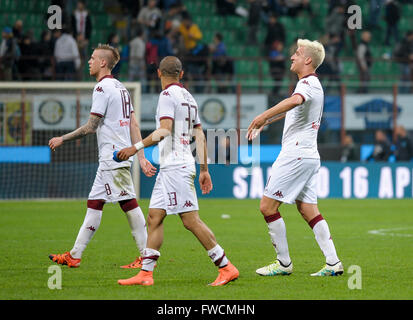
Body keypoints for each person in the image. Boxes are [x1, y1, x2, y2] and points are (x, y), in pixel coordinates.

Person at [116, 56, 239, 286]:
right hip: (176, 165)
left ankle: (226, 267)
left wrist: (135, 147)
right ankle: (146, 273)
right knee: (154, 217)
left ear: (159, 74)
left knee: (191, 221)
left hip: (175, 167)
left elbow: (164, 130)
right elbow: (199, 134)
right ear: (181, 74)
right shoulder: (189, 98)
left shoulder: (166, 96)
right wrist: (204, 168)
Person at [48, 44, 156, 269]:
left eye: (93, 58)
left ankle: (146, 257)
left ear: (103, 63)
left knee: (129, 205)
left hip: (113, 156)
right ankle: (75, 255)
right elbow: (133, 123)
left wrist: (62, 138)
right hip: (114, 157)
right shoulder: (121, 88)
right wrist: (141, 156)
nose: (89, 61)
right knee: (95, 204)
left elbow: (91, 126)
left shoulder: (102, 88)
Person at [246, 39, 343, 277]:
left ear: (308, 60)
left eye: (297, 53)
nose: (292, 57)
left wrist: (261, 116)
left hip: (296, 154)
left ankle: (283, 263)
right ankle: (333, 263)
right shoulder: (311, 85)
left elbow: (293, 101)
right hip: (308, 154)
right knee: (308, 209)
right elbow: (294, 109)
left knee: (267, 207)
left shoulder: (307, 83)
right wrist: (267, 123)